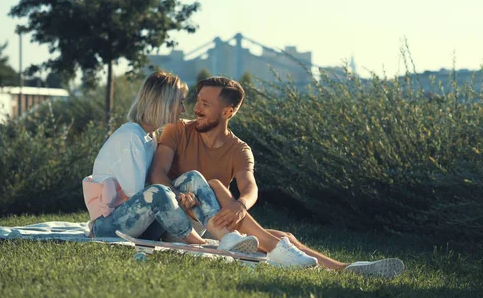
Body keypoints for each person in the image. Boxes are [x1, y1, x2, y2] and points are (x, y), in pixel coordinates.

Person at [149, 76, 405, 278]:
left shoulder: (239, 149)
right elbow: (158, 171)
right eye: (198, 101)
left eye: (206, 104)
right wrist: (176, 195)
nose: (196, 108)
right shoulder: (178, 129)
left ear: (228, 112)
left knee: (287, 237)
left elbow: (249, 186)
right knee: (215, 184)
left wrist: (240, 205)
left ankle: (343, 268)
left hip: (210, 223)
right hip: (175, 215)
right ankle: (289, 254)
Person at [82, 71, 259, 254]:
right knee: (158, 191)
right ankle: (200, 243)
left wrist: (180, 193)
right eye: (180, 102)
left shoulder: (150, 137)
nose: (183, 110)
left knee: (193, 178)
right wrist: (177, 194)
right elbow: (138, 193)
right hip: (109, 227)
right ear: (163, 104)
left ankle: (227, 238)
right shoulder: (130, 136)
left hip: (141, 224)